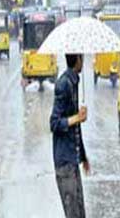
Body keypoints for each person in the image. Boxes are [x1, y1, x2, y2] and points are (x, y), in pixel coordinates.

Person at [50, 53, 90, 218]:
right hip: (64, 162)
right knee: (73, 213)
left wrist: (83, 157)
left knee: (80, 213)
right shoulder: (64, 84)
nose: (84, 62)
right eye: (82, 58)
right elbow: (54, 123)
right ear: (78, 60)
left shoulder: (73, 82)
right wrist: (76, 117)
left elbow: (76, 128)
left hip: (72, 160)